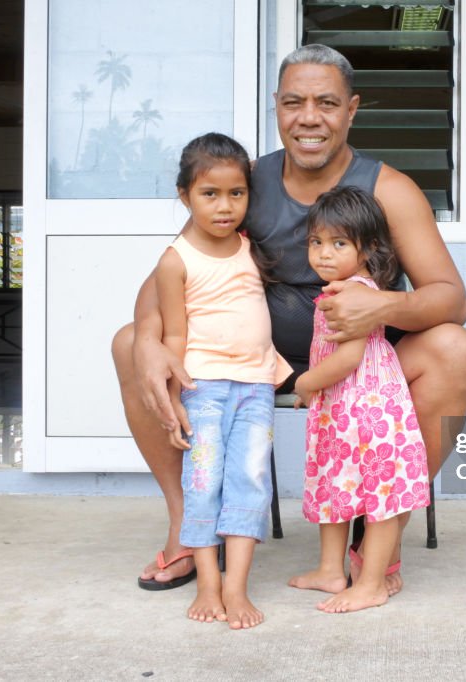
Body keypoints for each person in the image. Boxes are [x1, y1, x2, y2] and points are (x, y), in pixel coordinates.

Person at [112, 44, 466, 598]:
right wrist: (147, 339)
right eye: (294, 102)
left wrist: (384, 305)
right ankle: (190, 528)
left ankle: (383, 530)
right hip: (261, 363)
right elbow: (164, 278)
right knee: (128, 342)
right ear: (277, 110)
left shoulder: (388, 189)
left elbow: (452, 299)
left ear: (351, 110)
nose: (310, 117)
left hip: (364, 367)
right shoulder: (244, 182)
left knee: (455, 347)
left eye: (327, 103)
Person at [148, 132, 291, 629]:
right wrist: (174, 399)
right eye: (210, 194)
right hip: (203, 389)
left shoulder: (252, 249)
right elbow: (172, 337)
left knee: (249, 482)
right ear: (184, 196)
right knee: (204, 483)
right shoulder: (176, 260)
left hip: (256, 386)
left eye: (237, 193)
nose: (225, 206)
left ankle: (237, 586)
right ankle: (209, 582)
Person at [287, 186, 430, 613]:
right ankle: (330, 570)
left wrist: (306, 382)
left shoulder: (349, 295)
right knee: (337, 487)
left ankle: (370, 583)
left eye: (338, 243)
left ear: (367, 249)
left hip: (368, 412)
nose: (323, 253)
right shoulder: (340, 288)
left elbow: (348, 357)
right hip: (344, 411)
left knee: (379, 497)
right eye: (316, 242)